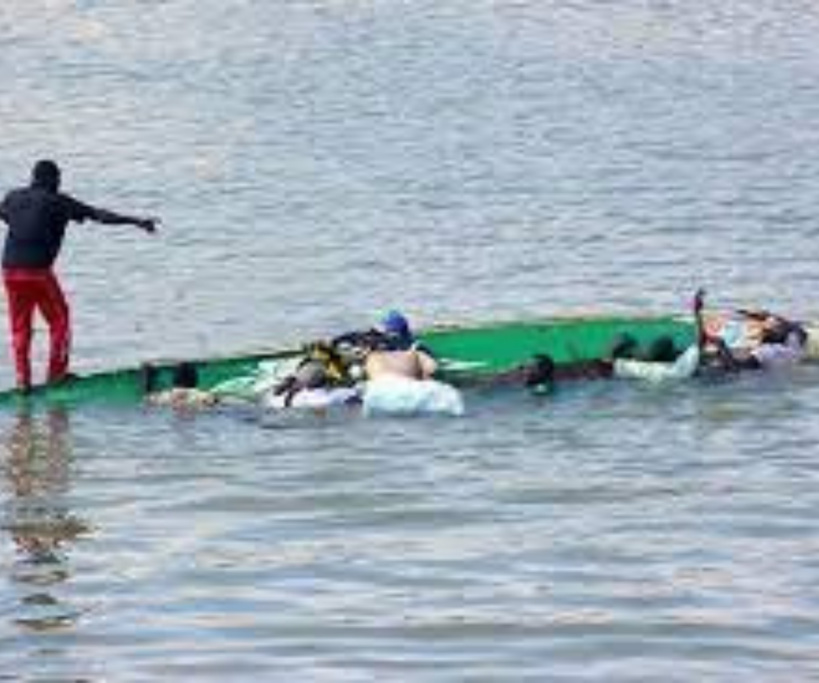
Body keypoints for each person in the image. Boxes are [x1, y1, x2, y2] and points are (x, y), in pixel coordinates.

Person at [0, 160, 158, 392]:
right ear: (52, 179)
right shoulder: (59, 202)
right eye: (58, 179)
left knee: (20, 327)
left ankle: (23, 381)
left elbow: (6, 216)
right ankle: (57, 377)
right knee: (60, 322)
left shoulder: (13, 197)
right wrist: (136, 221)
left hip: (9, 271)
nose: (60, 183)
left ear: (33, 178)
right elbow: (100, 215)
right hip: (38, 273)